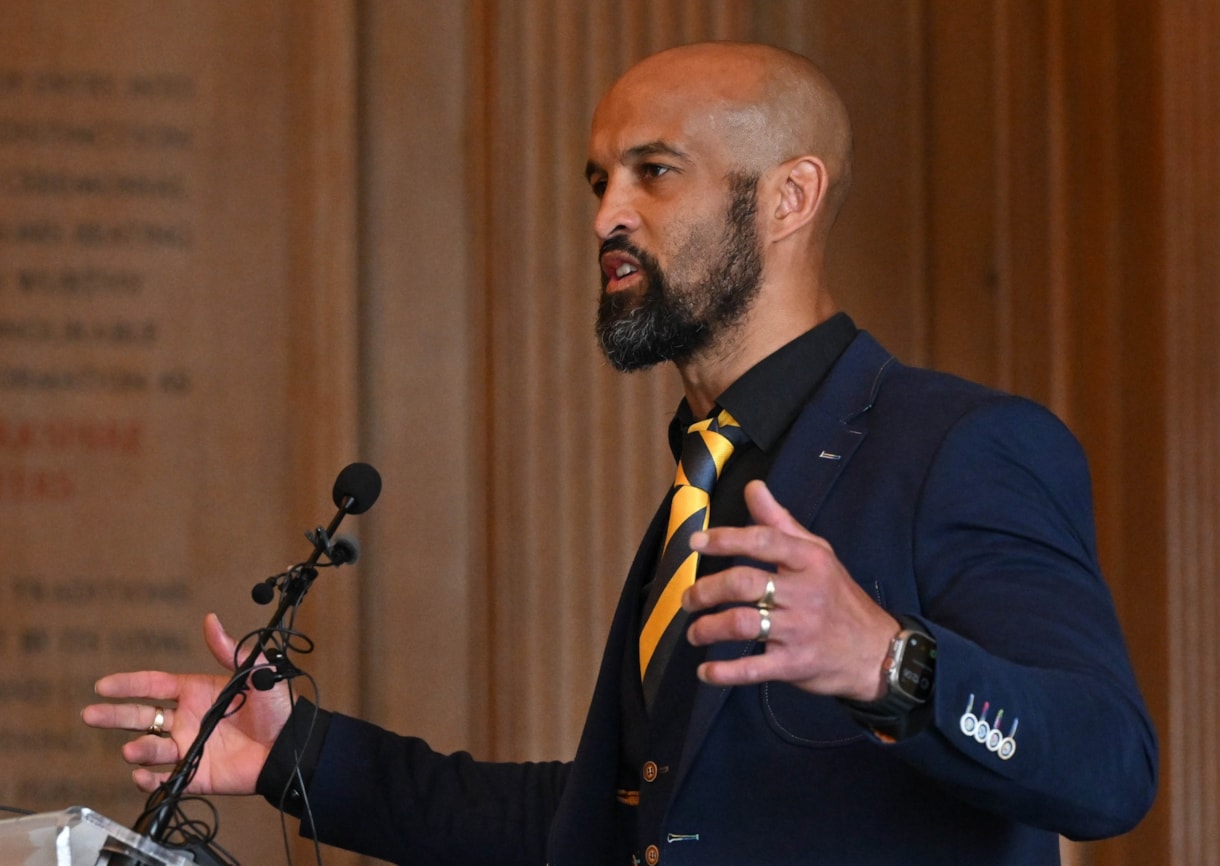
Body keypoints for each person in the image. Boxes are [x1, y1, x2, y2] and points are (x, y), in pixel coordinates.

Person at [83, 41, 1158, 865]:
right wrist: (296, 752)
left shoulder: (960, 445)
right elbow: (612, 822)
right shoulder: (706, 475)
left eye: (654, 172)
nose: (607, 213)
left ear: (788, 196)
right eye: (598, 179)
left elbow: (1107, 766)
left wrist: (890, 662)